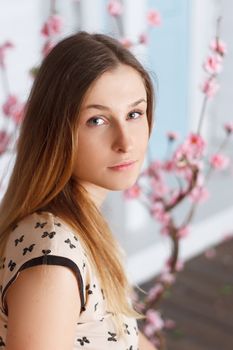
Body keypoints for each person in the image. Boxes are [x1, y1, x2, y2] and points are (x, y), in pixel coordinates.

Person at [0, 31, 156, 349]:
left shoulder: (80, 223)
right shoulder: (52, 260)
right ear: (56, 130)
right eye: (97, 120)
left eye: (134, 114)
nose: (126, 142)